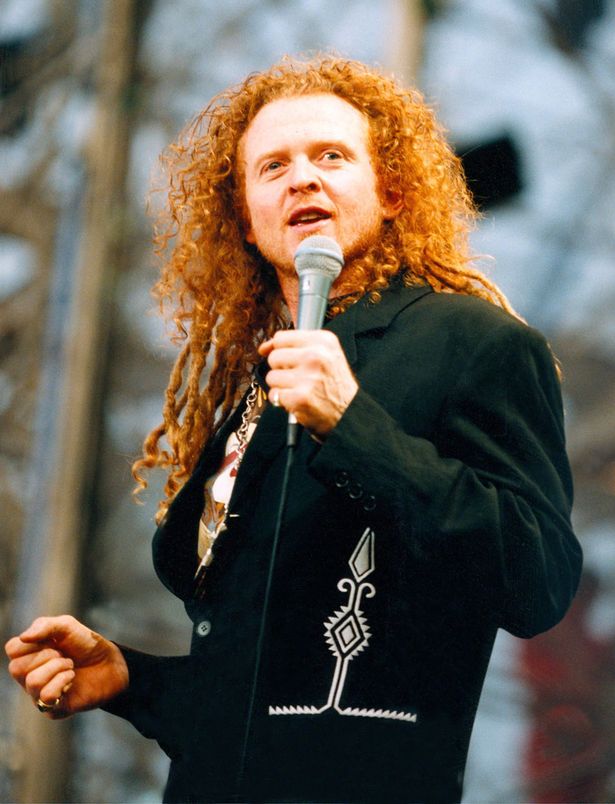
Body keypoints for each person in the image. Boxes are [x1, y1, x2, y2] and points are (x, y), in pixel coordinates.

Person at [6, 56, 582, 803]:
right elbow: (268, 708)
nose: (301, 178)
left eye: (331, 157)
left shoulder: (474, 343)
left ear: (393, 191)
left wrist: (353, 427)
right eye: (272, 166)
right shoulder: (261, 385)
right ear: (246, 218)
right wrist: (130, 680)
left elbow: (537, 582)